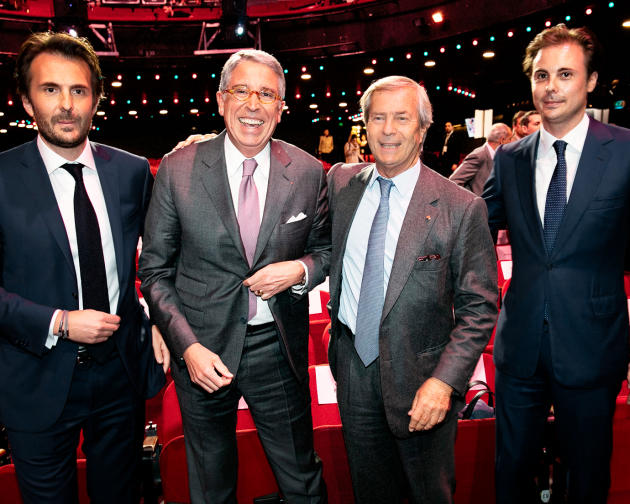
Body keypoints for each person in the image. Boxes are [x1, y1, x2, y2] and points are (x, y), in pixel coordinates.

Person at [138, 49, 329, 504]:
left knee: (301, 480)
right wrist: (186, 346)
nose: (253, 104)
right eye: (241, 91)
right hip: (202, 351)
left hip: (276, 348)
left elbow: (326, 251)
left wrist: (299, 269)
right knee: (211, 487)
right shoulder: (178, 169)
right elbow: (155, 270)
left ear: (281, 108)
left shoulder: (307, 171)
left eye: (266, 94)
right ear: (221, 99)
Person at [0, 32, 165, 504]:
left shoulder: (132, 172)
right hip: (35, 375)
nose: (67, 105)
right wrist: (59, 322)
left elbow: (161, 258)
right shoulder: (2, 177)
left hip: (121, 375)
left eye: (79, 90)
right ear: (27, 101)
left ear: (95, 99)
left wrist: (157, 317)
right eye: (50, 89)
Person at [326, 75, 498, 503]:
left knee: (428, 495)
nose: (388, 130)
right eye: (378, 118)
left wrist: (444, 383)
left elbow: (479, 307)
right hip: (353, 373)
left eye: (401, 118)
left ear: (422, 130)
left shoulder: (460, 207)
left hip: (424, 383)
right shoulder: (340, 184)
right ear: (365, 126)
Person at [483, 24, 630, 504]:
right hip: (520, 349)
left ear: (591, 81)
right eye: (542, 75)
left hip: (593, 344)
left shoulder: (625, 150)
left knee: (587, 478)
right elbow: (474, 227)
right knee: (511, 475)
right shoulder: (510, 159)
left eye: (565, 74)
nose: (551, 86)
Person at [449, 122, 511, 195]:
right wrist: (472, 200)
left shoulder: (497, 156)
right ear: (502, 140)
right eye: (509, 139)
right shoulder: (479, 155)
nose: (511, 142)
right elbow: (453, 181)